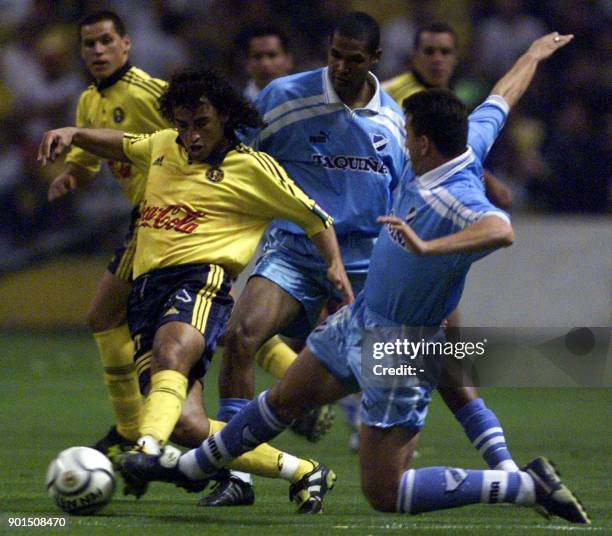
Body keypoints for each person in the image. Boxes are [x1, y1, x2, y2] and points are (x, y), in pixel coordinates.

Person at [121, 32, 590, 526]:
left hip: (400, 346)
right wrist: (532, 54)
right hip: (359, 321)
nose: (400, 140)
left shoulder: (453, 197)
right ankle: (191, 467)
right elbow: (502, 97)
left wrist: (431, 246)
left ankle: (520, 484)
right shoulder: (462, 144)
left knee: (384, 492)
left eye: (407, 133)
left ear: (423, 144)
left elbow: (500, 228)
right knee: (282, 400)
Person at [38, 68, 353, 513]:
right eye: (183, 125)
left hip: (201, 280)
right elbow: (123, 143)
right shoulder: (165, 146)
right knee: (188, 425)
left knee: (173, 351)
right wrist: (74, 133)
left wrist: (335, 266)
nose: (191, 136)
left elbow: (313, 216)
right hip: (146, 292)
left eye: (200, 124)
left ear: (224, 117)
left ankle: (147, 446)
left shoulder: (252, 167)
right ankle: (303, 471)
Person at [47, 10, 172, 457]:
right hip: (143, 217)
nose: (97, 51)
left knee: (118, 321)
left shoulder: (152, 94)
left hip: (168, 217)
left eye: (105, 41)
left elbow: (196, 141)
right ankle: (138, 428)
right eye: (89, 44)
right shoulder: (87, 102)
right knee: (111, 320)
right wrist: (70, 178)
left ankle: (142, 429)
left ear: (126, 44)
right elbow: (86, 163)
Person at [239, 26, 293, 102]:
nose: (265, 63)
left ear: (288, 60)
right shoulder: (236, 109)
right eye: (257, 56)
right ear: (246, 63)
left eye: (272, 55)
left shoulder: (306, 99)